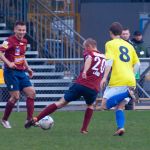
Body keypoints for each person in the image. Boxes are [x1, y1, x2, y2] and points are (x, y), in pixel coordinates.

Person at [25, 38, 106, 134]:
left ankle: (36, 118)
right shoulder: (104, 57)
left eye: (85, 48)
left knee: (61, 102)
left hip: (81, 84)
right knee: (90, 106)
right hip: (93, 88)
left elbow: (89, 58)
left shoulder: (90, 53)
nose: (84, 50)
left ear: (89, 47)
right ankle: (84, 129)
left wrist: (85, 71)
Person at [100, 22, 140, 136]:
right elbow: (137, 64)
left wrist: (104, 77)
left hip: (119, 79)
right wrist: (132, 76)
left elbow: (109, 62)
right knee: (120, 107)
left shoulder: (110, 44)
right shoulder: (129, 45)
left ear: (110, 33)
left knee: (104, 105)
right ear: (121, 33)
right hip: (130, 79)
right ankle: (120, 128)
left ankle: (127, 93)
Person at [0, 21, 35, 128]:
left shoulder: (24, 41)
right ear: (15, 30)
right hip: (10, 72)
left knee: (32, 93)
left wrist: (28, 68)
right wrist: (9, 63)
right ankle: (4, 119)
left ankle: (29, 120)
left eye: (23, 30)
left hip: (21, 72)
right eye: (19, 30)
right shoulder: (8, 41)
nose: (21, 32)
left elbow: (22, 56)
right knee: (15, 97)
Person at [121, 28, 135, 110]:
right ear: (120, 34)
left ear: (129, 34)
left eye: (126, 34)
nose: (125, 35)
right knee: (120, 89)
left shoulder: (132, 44)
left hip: (130, 71)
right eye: (123, 34)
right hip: (120, 71)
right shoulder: (117, 44)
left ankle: (129, 108)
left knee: (130, 89)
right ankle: (119, 107)